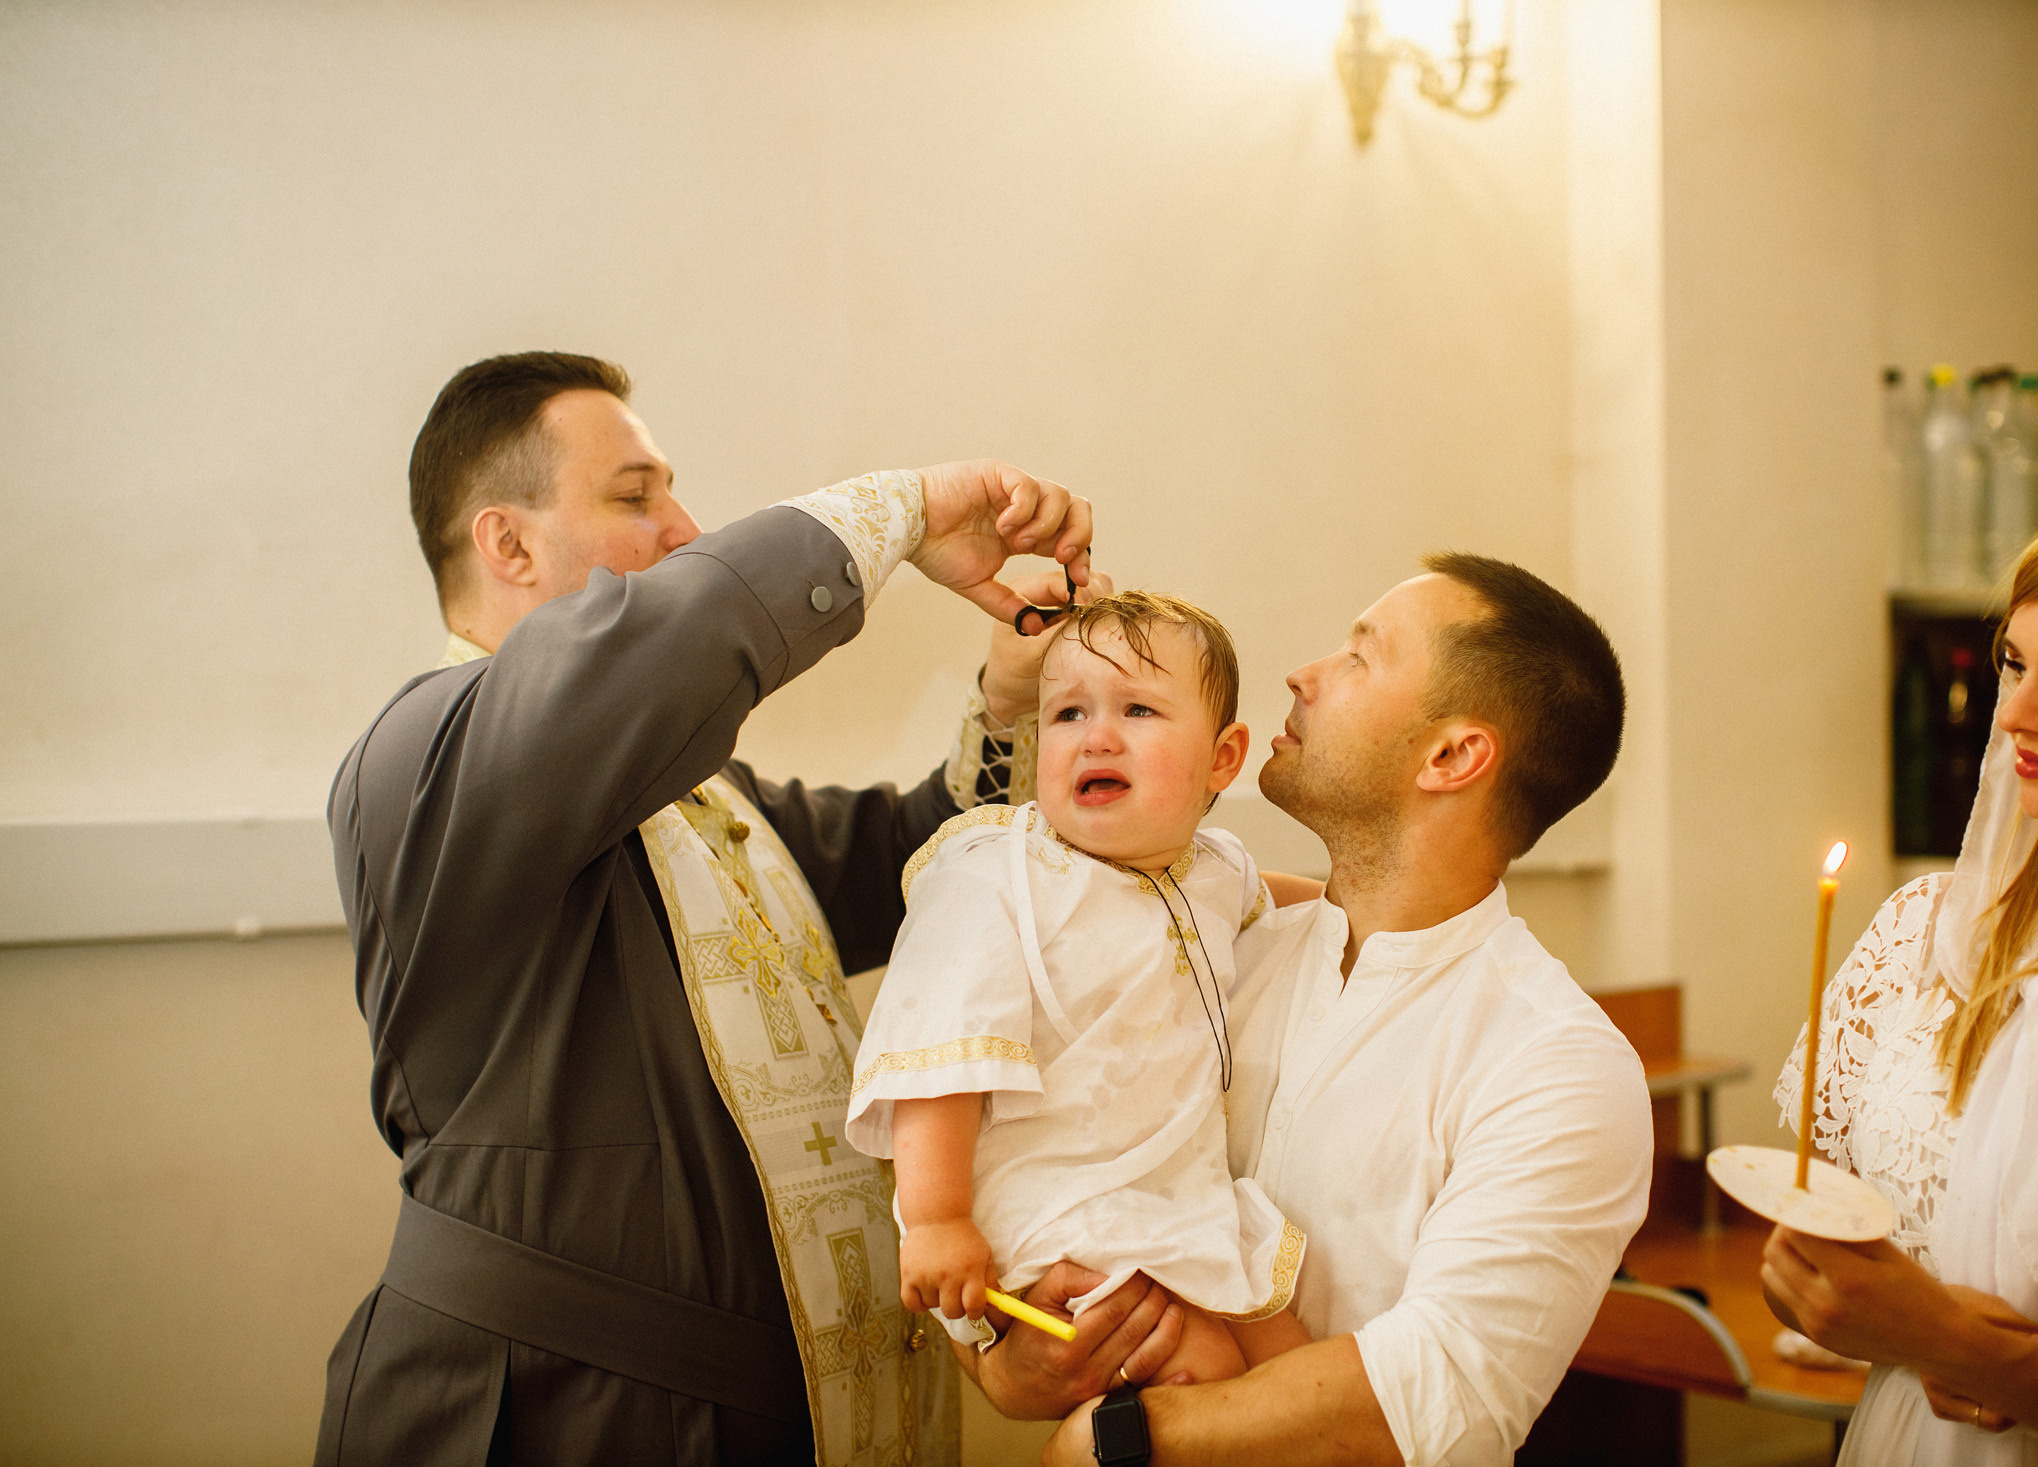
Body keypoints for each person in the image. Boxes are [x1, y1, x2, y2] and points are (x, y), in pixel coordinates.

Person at [316, 350, 1106, 1467]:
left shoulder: (699, 795)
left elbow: (913, 861)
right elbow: (666, 644)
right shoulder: (426, 756)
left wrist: (1013, 702)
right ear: (508, 543)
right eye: (635, 496)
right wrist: (909, 508)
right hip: (580, 1412)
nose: (685, 527)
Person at [973, 553, 1652, 1465]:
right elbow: (1051, 1152)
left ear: (1453, 755)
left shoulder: (1558, 1064)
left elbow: (1441, 1389)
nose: (1304, 673)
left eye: (1359, 656)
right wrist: (1007, 1364)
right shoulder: (1214, 947)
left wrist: (1115, 1441)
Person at [1765, 491, 2038, 1466]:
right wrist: (1816, 1288)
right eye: (2012, 662)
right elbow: (1816, 1267)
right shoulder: (1919, 938)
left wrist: (1949, 1342)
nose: (2015, 713)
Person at [844, 592, 1312, 1389]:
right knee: (1203, 1366)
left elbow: (1303, 901)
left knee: (1293, 1357)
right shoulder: (997, 874)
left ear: (1223, 759)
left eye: (1136, 708)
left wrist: (1368, 904)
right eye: (1066, 713)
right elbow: (939, 1056)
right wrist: (936, 1218)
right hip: (1060, 1205)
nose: (1096, 735)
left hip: (1169, 1188)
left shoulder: (1214, 866)